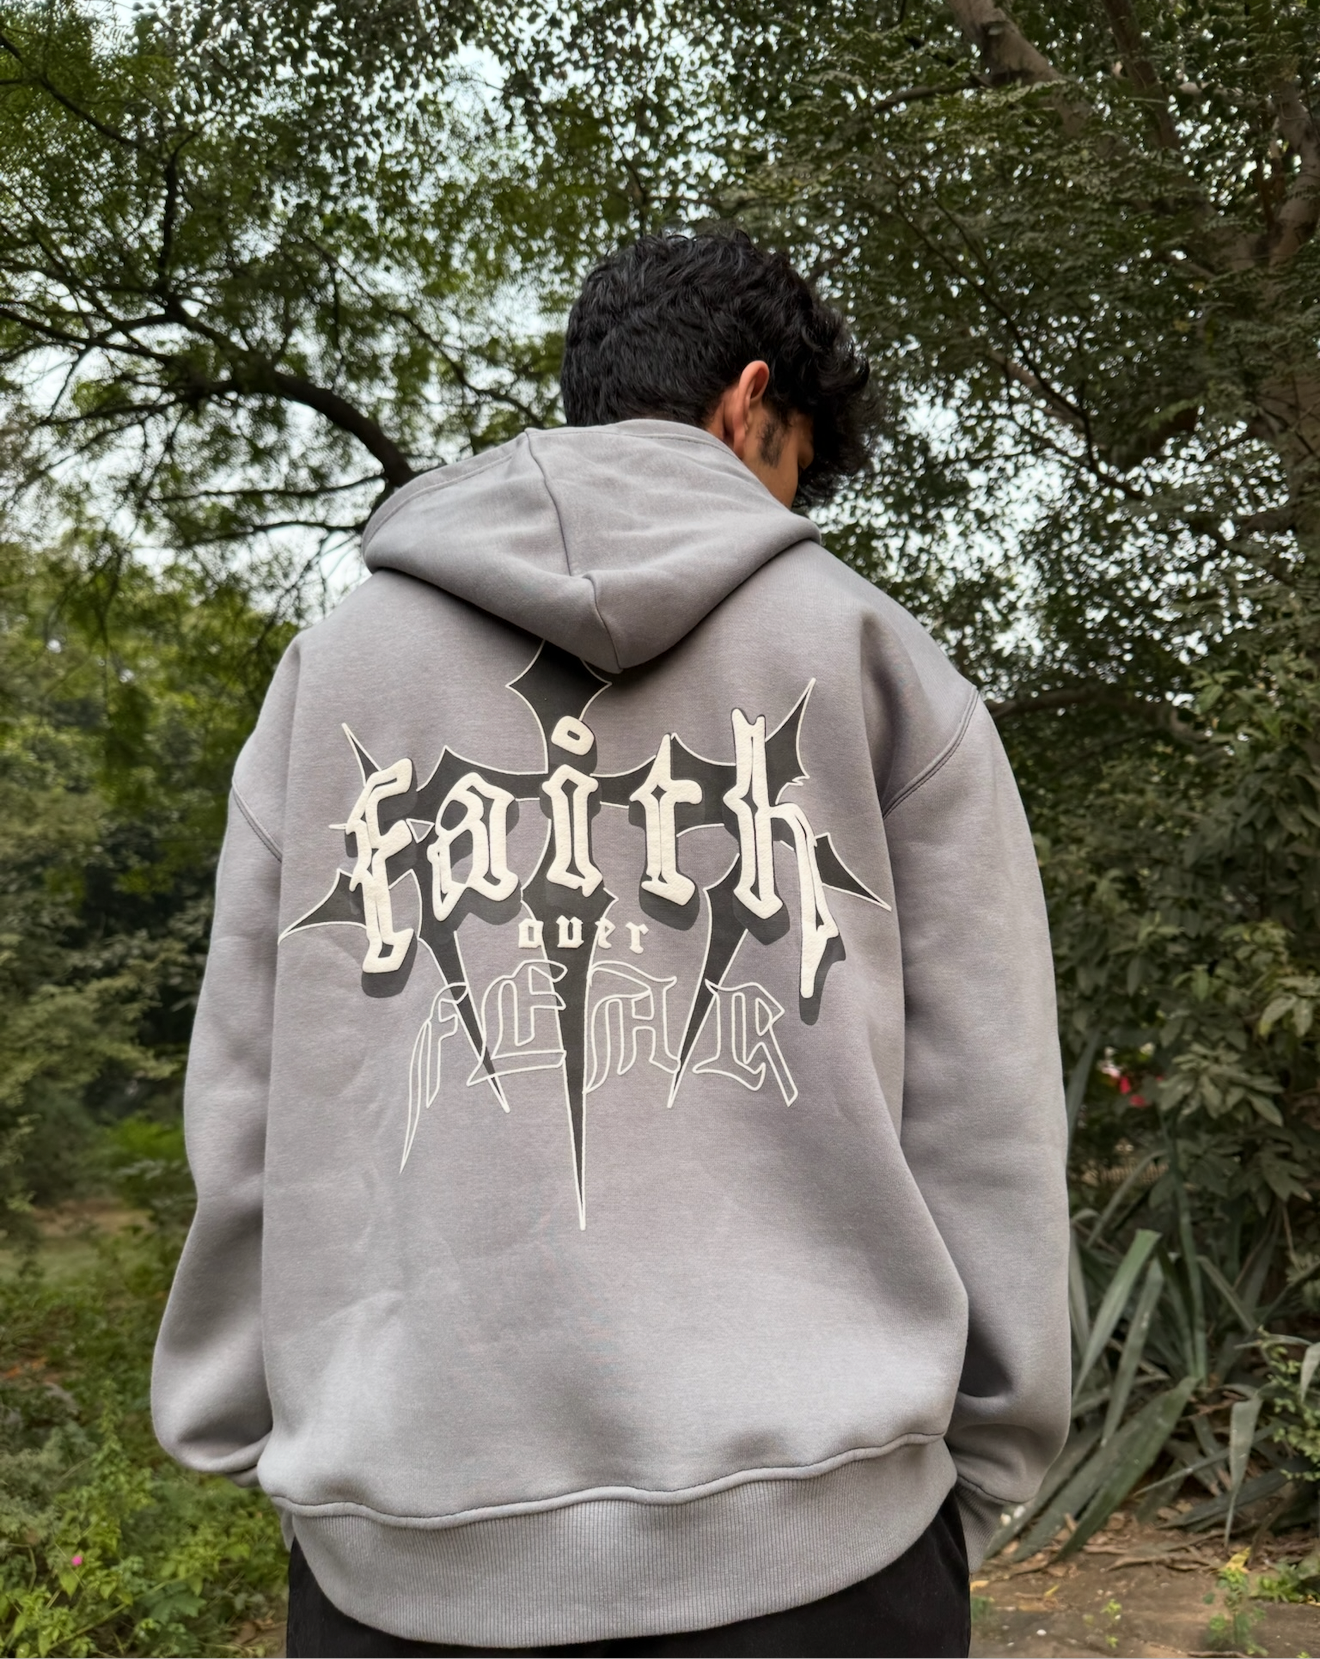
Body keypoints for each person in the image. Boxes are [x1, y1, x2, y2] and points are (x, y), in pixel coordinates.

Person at [152, 231, 1070, 1659]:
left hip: (406, 1559)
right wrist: (990, 1458)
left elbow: (253, 1093)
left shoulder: (330, 675)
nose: (780, 507)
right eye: (794, 461)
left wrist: (242, 1421)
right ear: (749, 404)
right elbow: (986, 1105)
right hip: (830, 1558)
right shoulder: (878, 657)